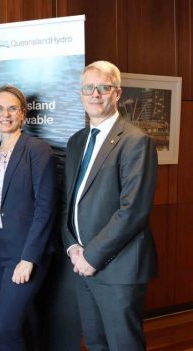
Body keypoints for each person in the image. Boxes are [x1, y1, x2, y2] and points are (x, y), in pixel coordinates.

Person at [62, 60, 158, 350]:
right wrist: (72, 246)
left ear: (117, 93)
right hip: (81, 263)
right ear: (80, 93)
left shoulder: (136, 141)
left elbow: (134, 210)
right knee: (95, 343)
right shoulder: (77, 141)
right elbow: (69, 202)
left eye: (103, 87)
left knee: (123, 345)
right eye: (88, 88)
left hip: (118, 267)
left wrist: (91, 256)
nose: (95, 94)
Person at [0, 85, 57, 350]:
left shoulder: (37, 150)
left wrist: (29, 258)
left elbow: (46, 208)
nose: (5, 114)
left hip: (24, 251)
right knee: (23, 323)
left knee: (6, 328)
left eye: (12, 108)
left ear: (23, 114)